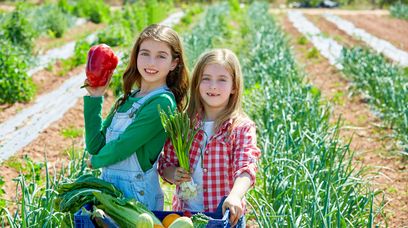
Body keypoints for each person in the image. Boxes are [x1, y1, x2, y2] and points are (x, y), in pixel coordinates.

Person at [83, 24, 189, 211]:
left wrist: (95, 161)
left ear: (174, 63)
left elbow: (123, 146)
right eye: (145, 53)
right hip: (110, 194)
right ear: (136, 55)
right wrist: (95, 97)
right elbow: (95, 146)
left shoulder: (162, 103)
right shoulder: (128, 99)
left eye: (161, 56)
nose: (151, 63)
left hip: (137, 197)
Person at [158, 49, 261, 227]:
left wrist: (235, 195)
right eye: (206, 78)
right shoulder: (184, 124)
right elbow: (166, 163)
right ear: (197, 83)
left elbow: (246, 166)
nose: (213, 86)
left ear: (234, 86)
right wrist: (173, 173)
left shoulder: (240, 127)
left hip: (223, 217)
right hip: (185, 216)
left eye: (222, 80)